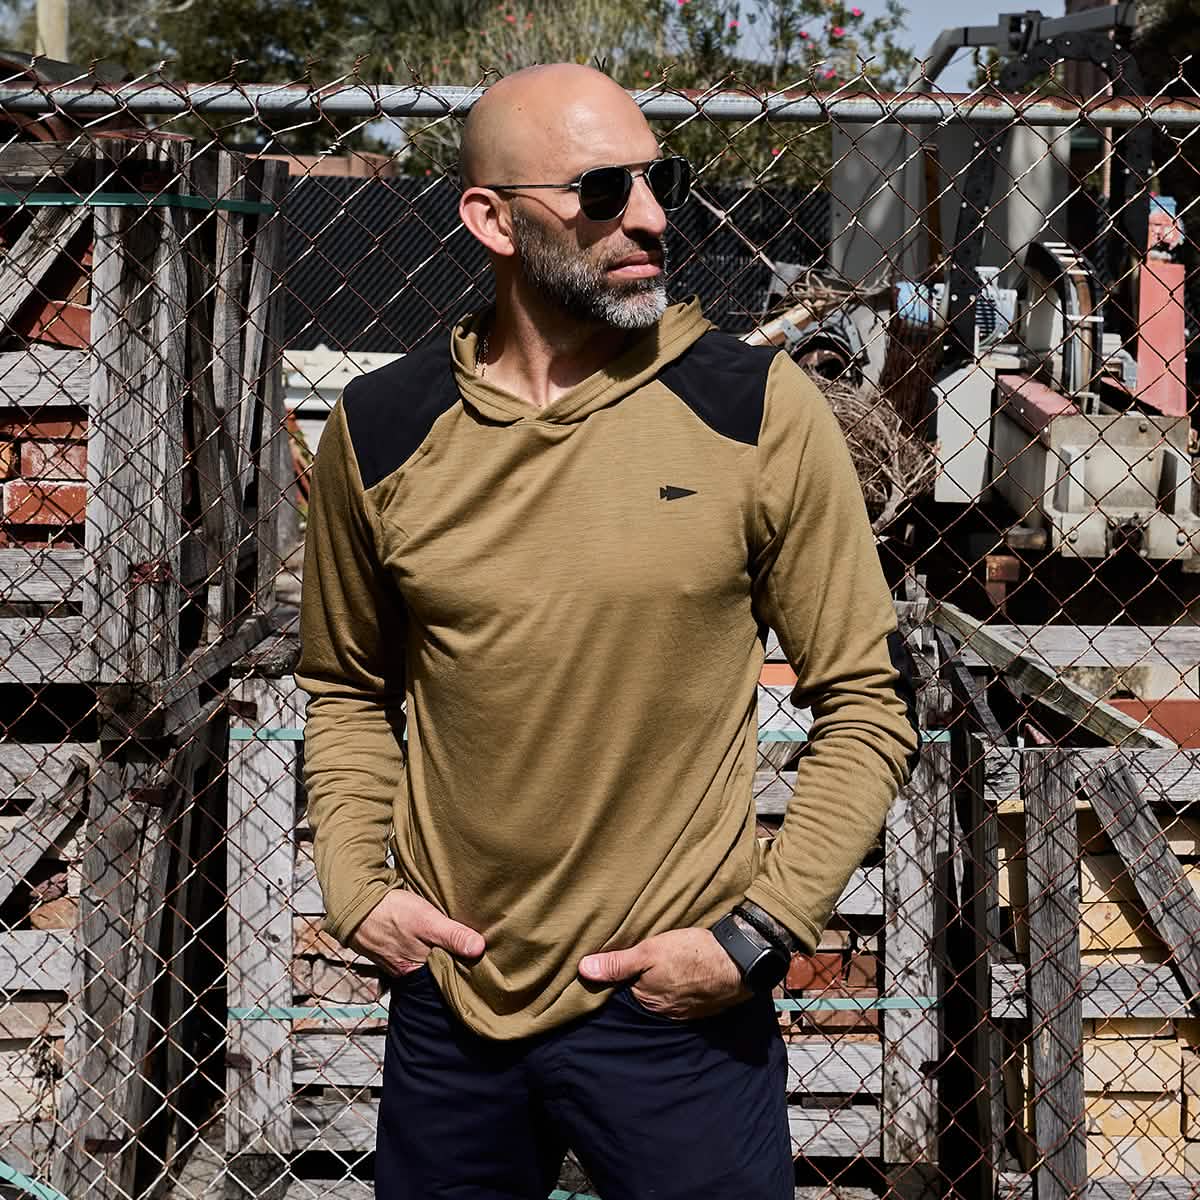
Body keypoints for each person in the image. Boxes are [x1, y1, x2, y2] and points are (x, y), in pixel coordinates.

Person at [296, 63, 920, 1200]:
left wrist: (758, 934)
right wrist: (355, 885)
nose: (649, 215)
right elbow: (344, 684)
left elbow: (869, 700)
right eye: (600, 190)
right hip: (450, 1002)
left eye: (655, 178)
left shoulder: (753, 409)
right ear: (489, 216)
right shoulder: (381, 428)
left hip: (674, 1012)